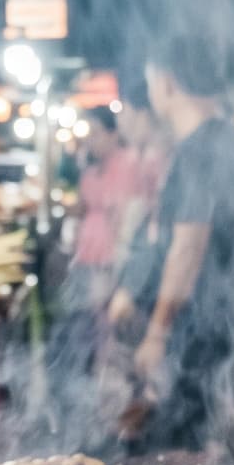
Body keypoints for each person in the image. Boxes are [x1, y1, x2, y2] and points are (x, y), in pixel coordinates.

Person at [107, 50, 234, 450]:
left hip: (201, 327)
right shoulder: (224, 139)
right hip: (229, 319)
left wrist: (157, 332)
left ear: (167, 82)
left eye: (152, 82)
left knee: (184, 448)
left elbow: (188, 247)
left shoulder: (199, 150)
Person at [71, 106, 149, 312]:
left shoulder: (129, 162)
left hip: (114, 255)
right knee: (94, 311)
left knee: (112, 311)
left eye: (96, 134)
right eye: (88, 134)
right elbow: (83, 207)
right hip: (90, 254)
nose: (90, 140)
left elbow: (128, 212)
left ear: (113, 134)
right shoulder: (91, 168)